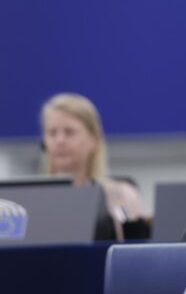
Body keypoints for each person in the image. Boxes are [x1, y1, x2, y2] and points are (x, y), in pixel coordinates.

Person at [41, 92, 149, 240]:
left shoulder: (121, 195)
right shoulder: (34, 201)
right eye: (52, 133)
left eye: (69, 132)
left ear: (94, 139)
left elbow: (136, 253)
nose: (60, 141)